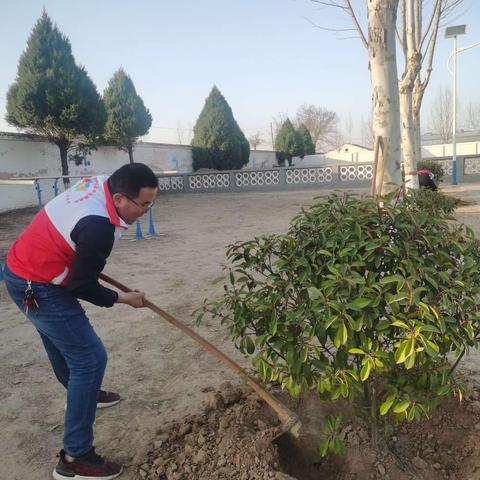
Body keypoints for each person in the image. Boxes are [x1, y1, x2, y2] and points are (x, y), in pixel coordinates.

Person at [3, 163, 158, 480]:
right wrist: (124, 299)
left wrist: (79, 255)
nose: (146, 210)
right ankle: (75, 458)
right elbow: (82, 286)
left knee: (66, 346)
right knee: (89, 357)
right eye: (143, 204)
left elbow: (75, 247)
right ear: (117, 198)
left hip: (22, 268)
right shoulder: (98, 226)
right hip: (38, 284)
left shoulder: (99, 184)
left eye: (150, 203)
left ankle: (83, 394)